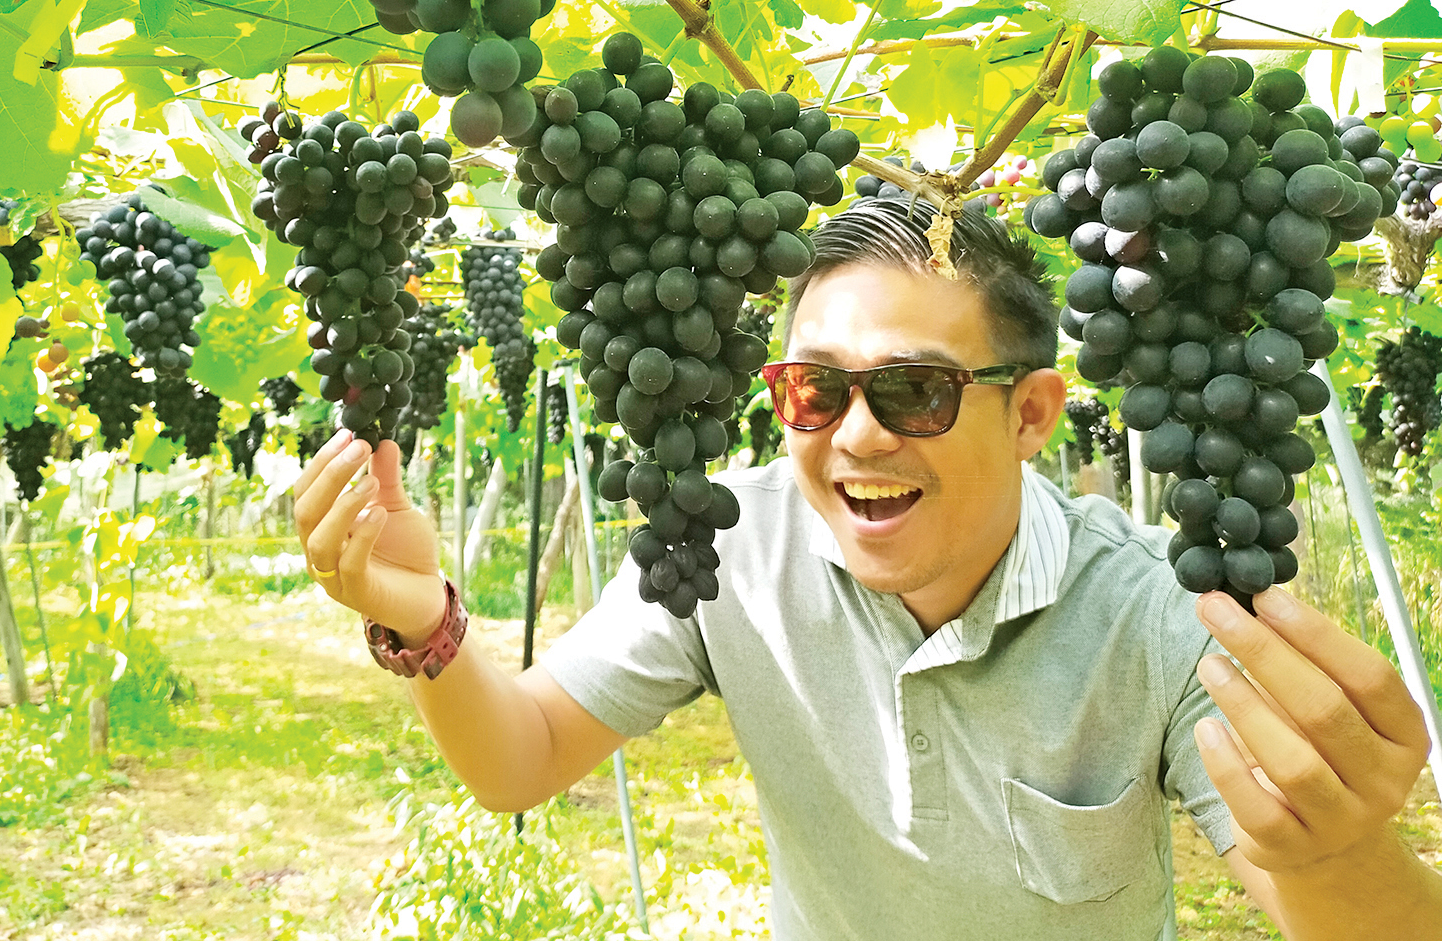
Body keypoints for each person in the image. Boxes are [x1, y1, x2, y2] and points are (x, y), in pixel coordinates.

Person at [293, 198, 1442, 938]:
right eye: (813, 389)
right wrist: (424, 618)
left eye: (914, 390)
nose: (855, 435)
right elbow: (523, 758)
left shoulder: (1163, 612)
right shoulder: (724, 541)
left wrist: (1339, 849)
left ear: (1034, 412)